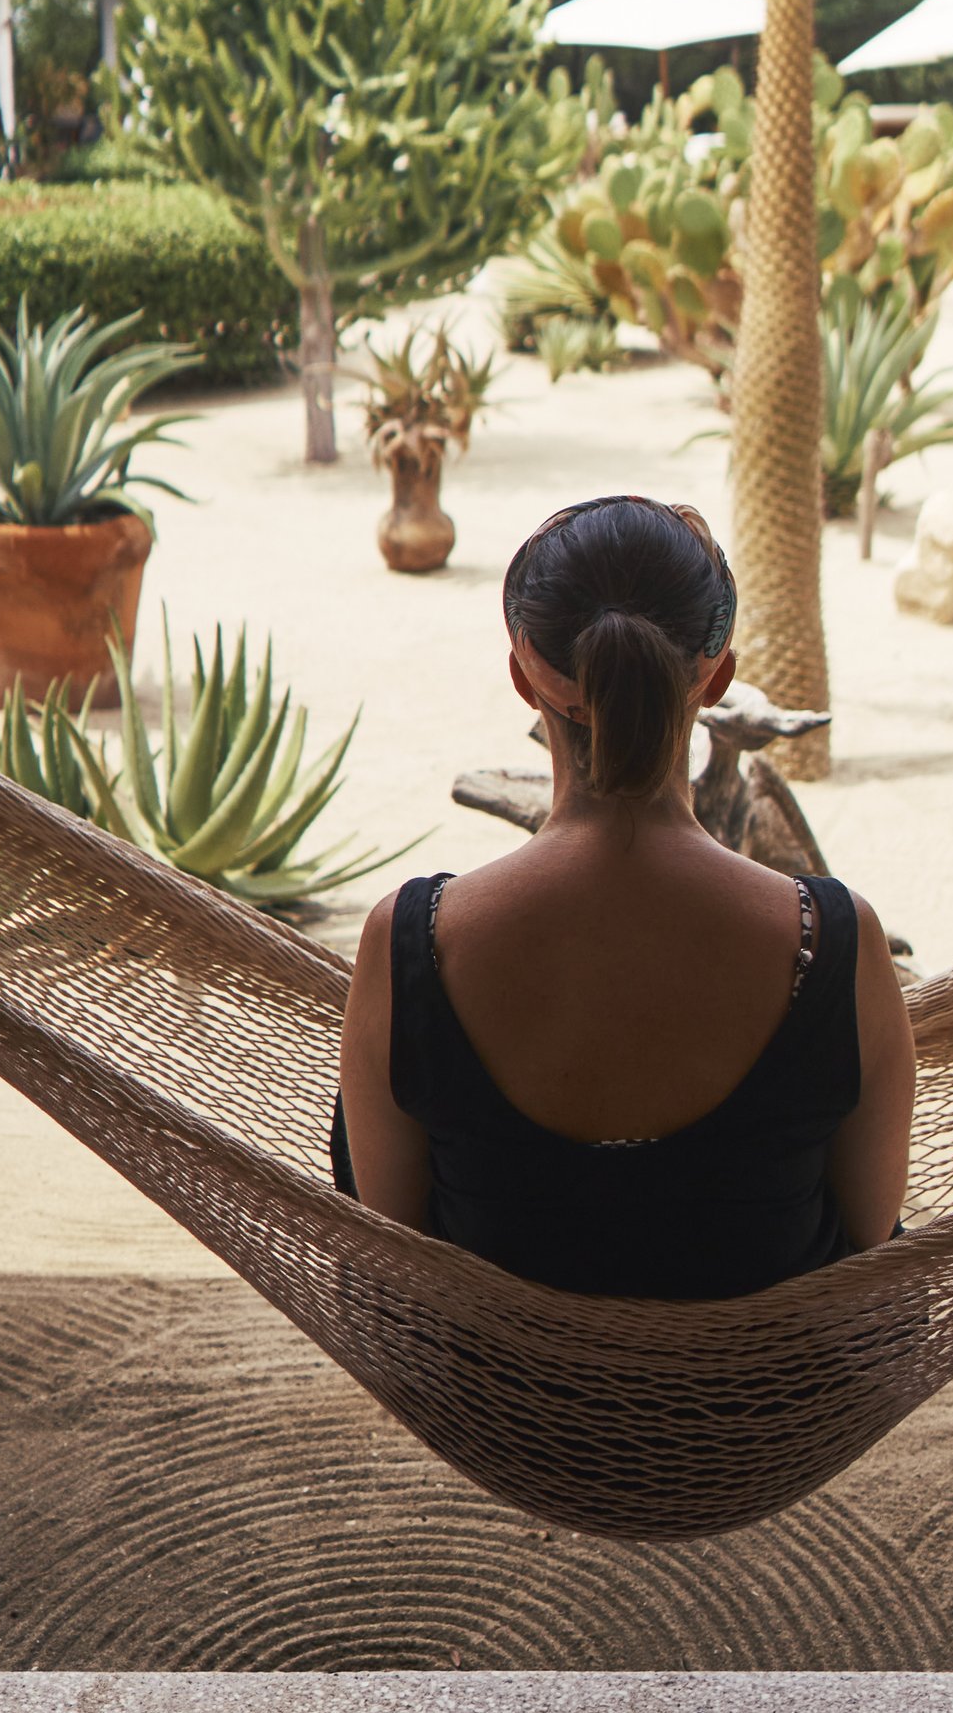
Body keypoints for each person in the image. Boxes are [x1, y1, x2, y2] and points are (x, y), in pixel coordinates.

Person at [334, 493, 914, 1298]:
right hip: (772, 1379)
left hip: (493, 1376)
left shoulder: (412, 942)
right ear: (718, 678)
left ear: (522, 677)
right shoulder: (833, 942)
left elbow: (393, 1247)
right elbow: (873, 1235)